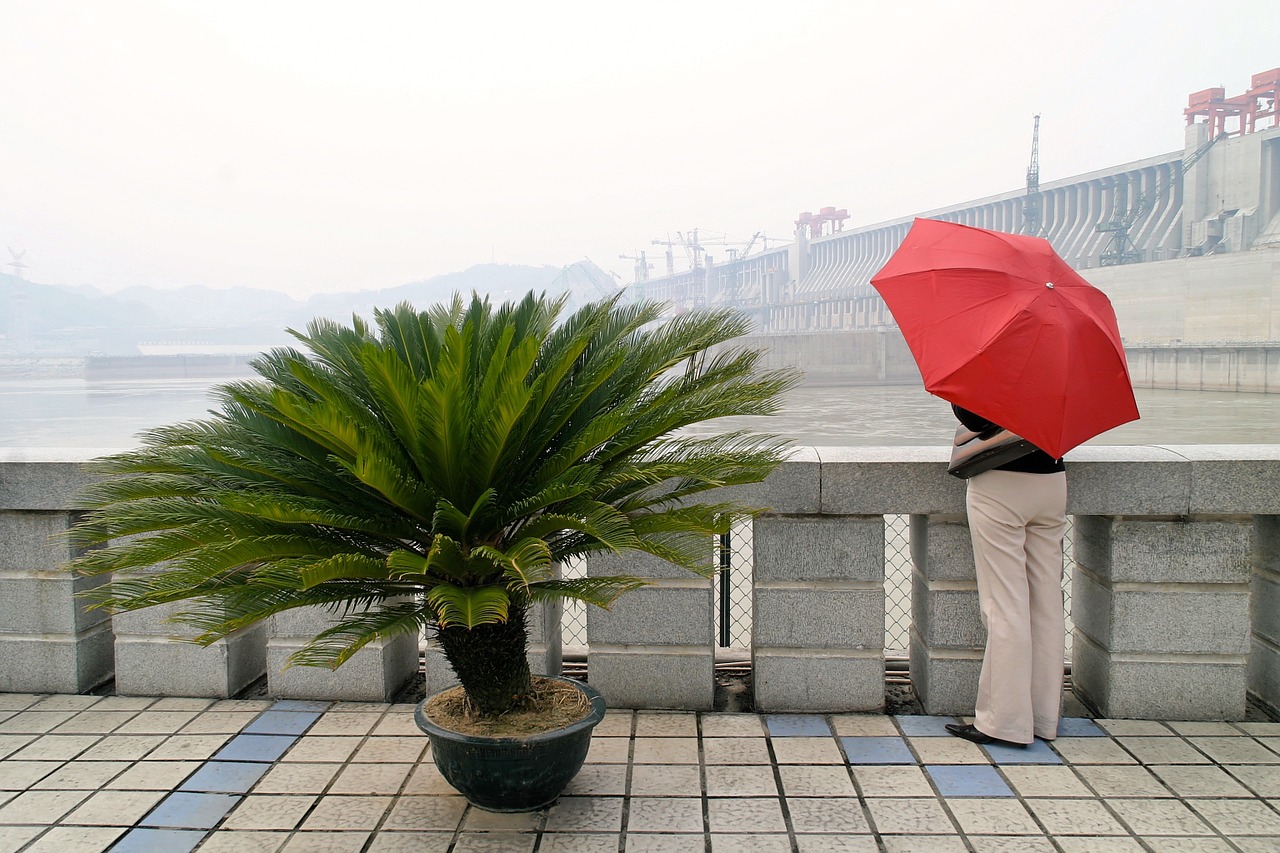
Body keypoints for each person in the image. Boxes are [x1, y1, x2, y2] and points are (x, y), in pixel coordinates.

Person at [945, 403, 1067, 748]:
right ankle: (1043, 718)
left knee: (1004, 604)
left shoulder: (1000, 366)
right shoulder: (1058, 363)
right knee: (1046, 602)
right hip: (1053, 480)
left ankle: (1004, 723)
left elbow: (974, 420)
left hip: (1003, 481)